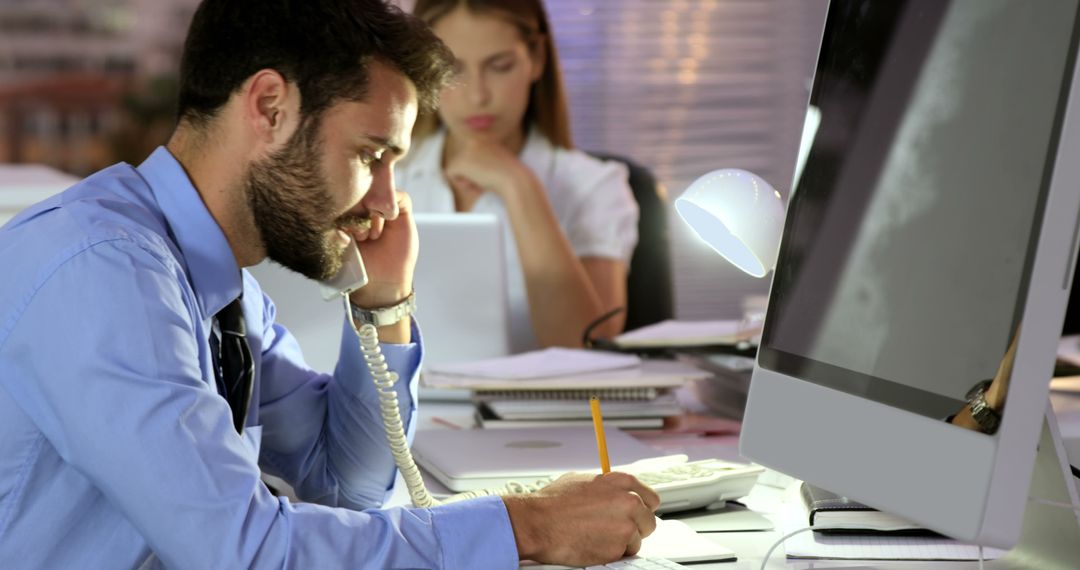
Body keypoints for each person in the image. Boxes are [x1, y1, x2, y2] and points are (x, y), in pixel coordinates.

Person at [0, 1, 659, 568]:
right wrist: (531, 526)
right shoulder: (103, 272)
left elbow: (344, 482)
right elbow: (247, 553)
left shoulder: (218, 287)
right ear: (269, 107)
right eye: (370, 156)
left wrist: (387, 302)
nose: (386, 203)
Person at [397, 0, 640, 350]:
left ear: (537, 59)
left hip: (538, 404)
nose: (478, 95)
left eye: (500, 66)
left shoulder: (594, 186)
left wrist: (518, 186)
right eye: (453, 70)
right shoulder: (385, 176)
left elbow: (587, 349)